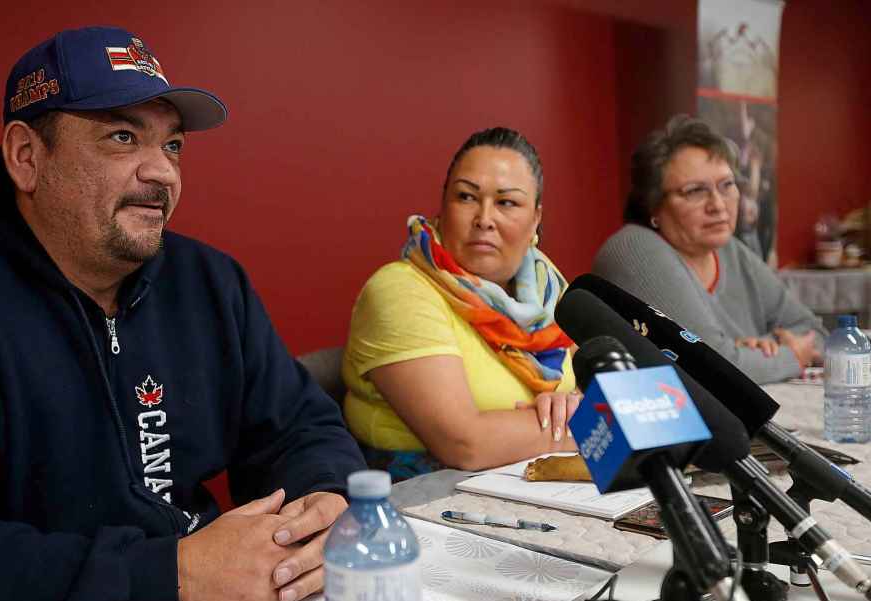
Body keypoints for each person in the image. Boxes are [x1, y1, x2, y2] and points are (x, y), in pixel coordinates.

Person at [0, 26, 365, 601]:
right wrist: (171, 574)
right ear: (27, 156)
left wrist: (321, 502)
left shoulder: (209, 282)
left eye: (174, 145)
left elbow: (301, 427)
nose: (161, 172)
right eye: (122, 136)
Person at [342, 128, 579, 481]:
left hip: (541, 490)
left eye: (507, 202)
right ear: (442, 207)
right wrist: (593, 428)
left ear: (536, 219)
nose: (484, 218)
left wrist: (572, 400)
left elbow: (592, 391)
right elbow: (465, 443)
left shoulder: (550, 289)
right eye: (467, 197)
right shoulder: (399, 290)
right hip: (425, 504)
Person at [593, 115, 824, 385]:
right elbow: (711, 367)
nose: (718, 204)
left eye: (727, 185)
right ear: (653, 206)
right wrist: (791, 358)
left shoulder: (730, 251)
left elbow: (814, 333)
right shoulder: (633, 248)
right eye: (694, 191)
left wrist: (762, 346)